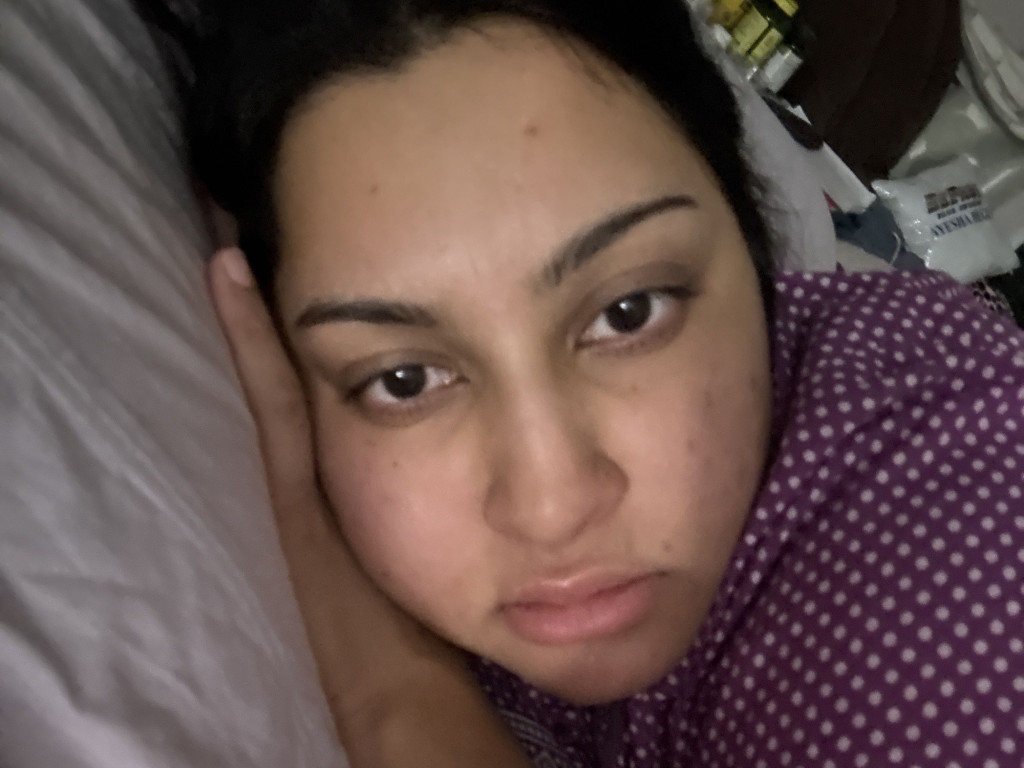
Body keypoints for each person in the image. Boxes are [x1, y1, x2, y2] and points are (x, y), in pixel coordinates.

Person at [190, 1, 1024, 765]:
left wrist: (391, 690)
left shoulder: (955, 539)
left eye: (629, 313)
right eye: (404, 380)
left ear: (751, 244)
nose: (553, 507)